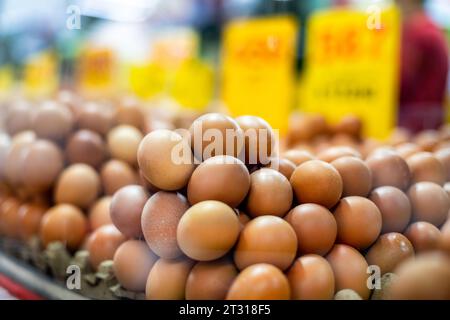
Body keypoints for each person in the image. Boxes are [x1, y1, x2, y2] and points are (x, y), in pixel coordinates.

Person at [397, 0, 449, 133]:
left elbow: (401, 80)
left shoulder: (420, 34)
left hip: (417, 124)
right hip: (425, 120)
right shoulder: (428, 29)